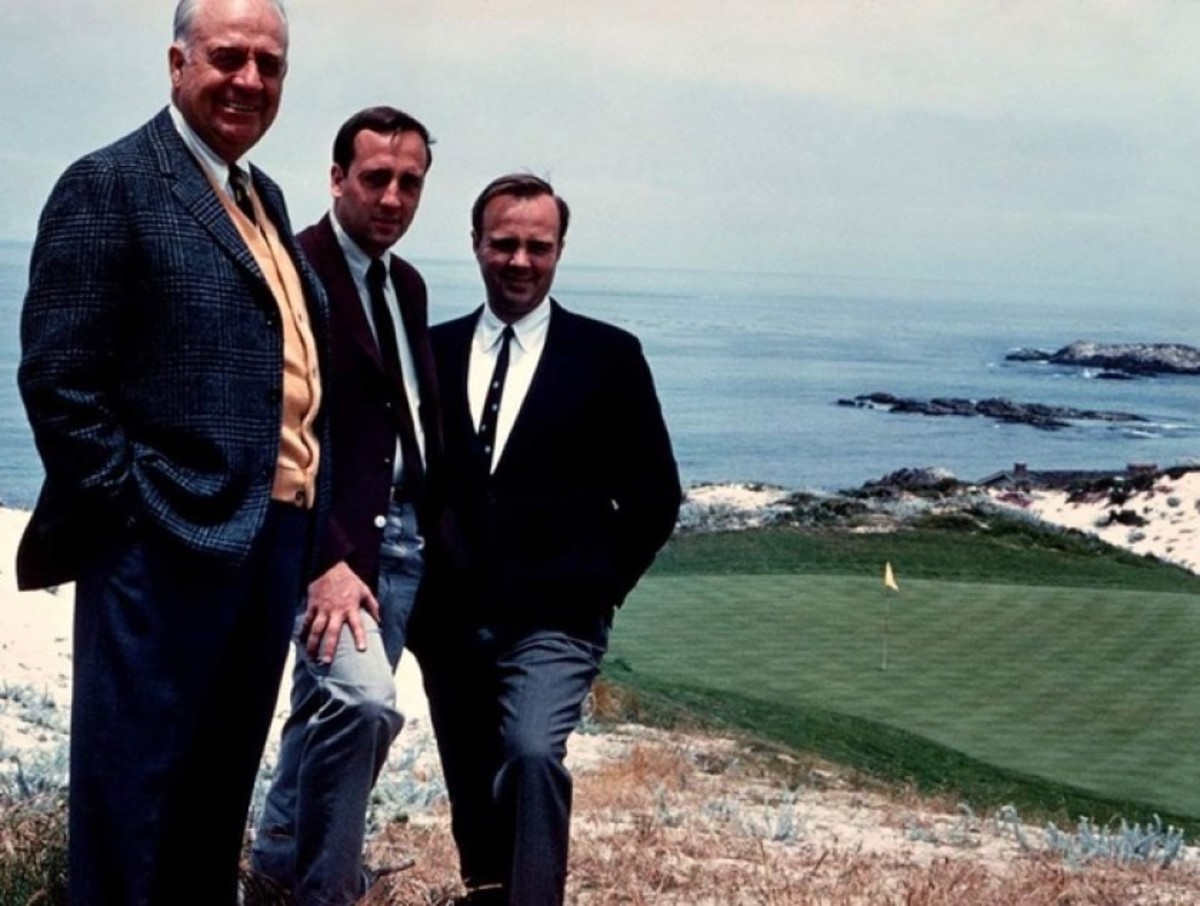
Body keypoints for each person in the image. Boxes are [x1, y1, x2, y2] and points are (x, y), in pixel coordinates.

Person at [15, 1, 328, 903]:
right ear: (176, 62)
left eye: (270, 65)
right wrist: (139, 517)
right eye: (229, 57)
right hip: (162, 548)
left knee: (212, 802)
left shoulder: (259, 195)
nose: (251, 81)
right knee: (134, 809)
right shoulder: (111, 182)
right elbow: (59, 382)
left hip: (266, 546)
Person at [412, 174, 681, 905]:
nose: (520, 261)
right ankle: (489, 891)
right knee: (473, 784)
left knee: (531, 755)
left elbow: (657, 497)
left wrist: (597, 590)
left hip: (557, 619)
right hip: (448, 621)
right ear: (476, 245)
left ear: (560, 249)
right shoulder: (427, 353)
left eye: (538, 246)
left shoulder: (608, 356)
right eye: (504, 244)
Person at [250, 105, 439, 905]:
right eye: (375, 179)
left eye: (410, 183)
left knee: (326, 714)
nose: (392, 198)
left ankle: (274, 866)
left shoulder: (407, 284)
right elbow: (277, 424)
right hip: (331, 548)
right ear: (336, 179)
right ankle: (327, 892)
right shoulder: (296, 273)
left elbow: (402, 415)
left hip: (403, 544)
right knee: (363, 705)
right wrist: (323, 556)